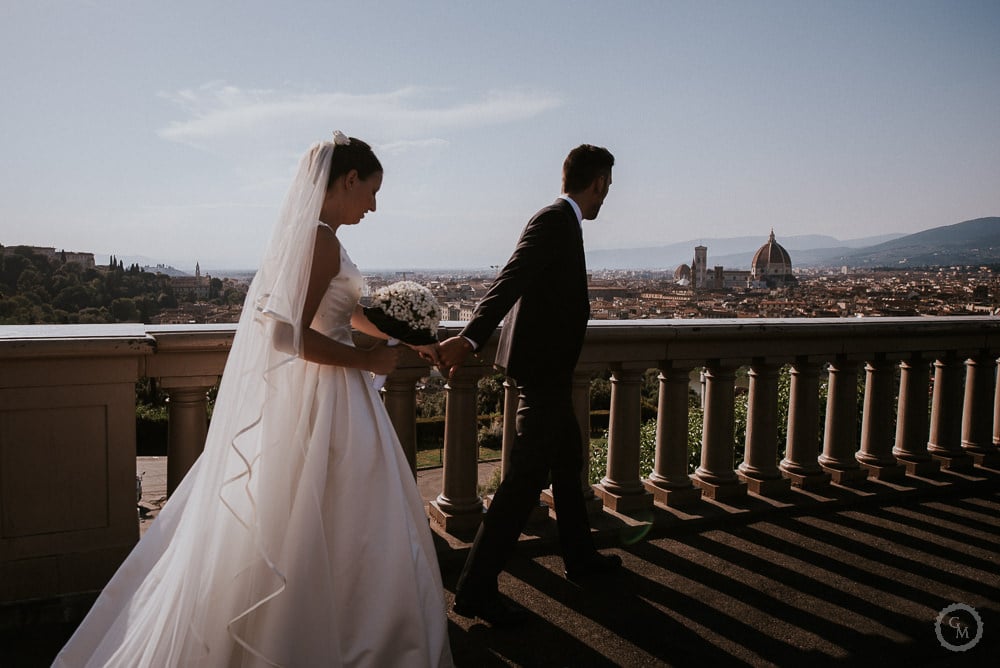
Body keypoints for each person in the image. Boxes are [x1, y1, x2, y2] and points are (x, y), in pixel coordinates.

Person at [54, 133, 454, 667]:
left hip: (330, 392)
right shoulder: (322, 241)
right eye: (371, 192)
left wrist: (403, 335)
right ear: (348, 179)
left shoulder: (321, 238)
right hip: (330, 394)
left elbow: (336, 314)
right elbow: (287, 337)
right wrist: (366, 361)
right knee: (338, 517)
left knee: (317, 515)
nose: (374, 206)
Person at [438, 143, 622, 627]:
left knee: (567, 461)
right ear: (597, 181)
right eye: (608, 187)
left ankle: (580, 558)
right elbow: (511, 280)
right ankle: (475, 587)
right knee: (520, 485)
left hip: (549, 372)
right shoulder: (555, 220)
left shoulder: (560, 220)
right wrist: (471, 338)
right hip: (543, 373)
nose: (608, 197)